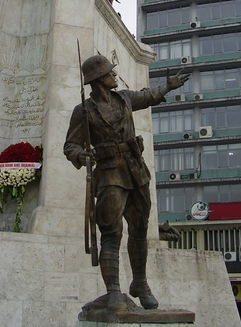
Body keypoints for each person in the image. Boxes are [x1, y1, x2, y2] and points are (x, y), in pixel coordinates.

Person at [64, 55, 190, 311]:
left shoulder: (124, 98)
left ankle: (140, 283)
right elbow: (71, 145)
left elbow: (148, 96)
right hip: (110, 173)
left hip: (135, 170)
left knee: (140, 228)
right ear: (99, 79)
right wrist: (80, 154)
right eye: (110, 72)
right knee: (111, 233)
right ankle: (113, 291)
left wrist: (168, 86)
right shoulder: (84, 111)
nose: (114, 75)